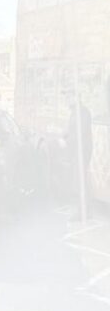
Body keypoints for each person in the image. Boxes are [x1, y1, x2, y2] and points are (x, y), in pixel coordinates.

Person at [63, 91, 93, 221]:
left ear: (77, 97)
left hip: (81, 151)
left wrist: (65, 141)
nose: (67, 100)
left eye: (69, 97)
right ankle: (82, 211)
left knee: (80, 181)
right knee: (78, 180)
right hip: (78, 150)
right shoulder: (76, 112)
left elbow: (79, 134)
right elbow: (73, 132)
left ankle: (83, 212)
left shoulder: (82, 113)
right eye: (66, 97)